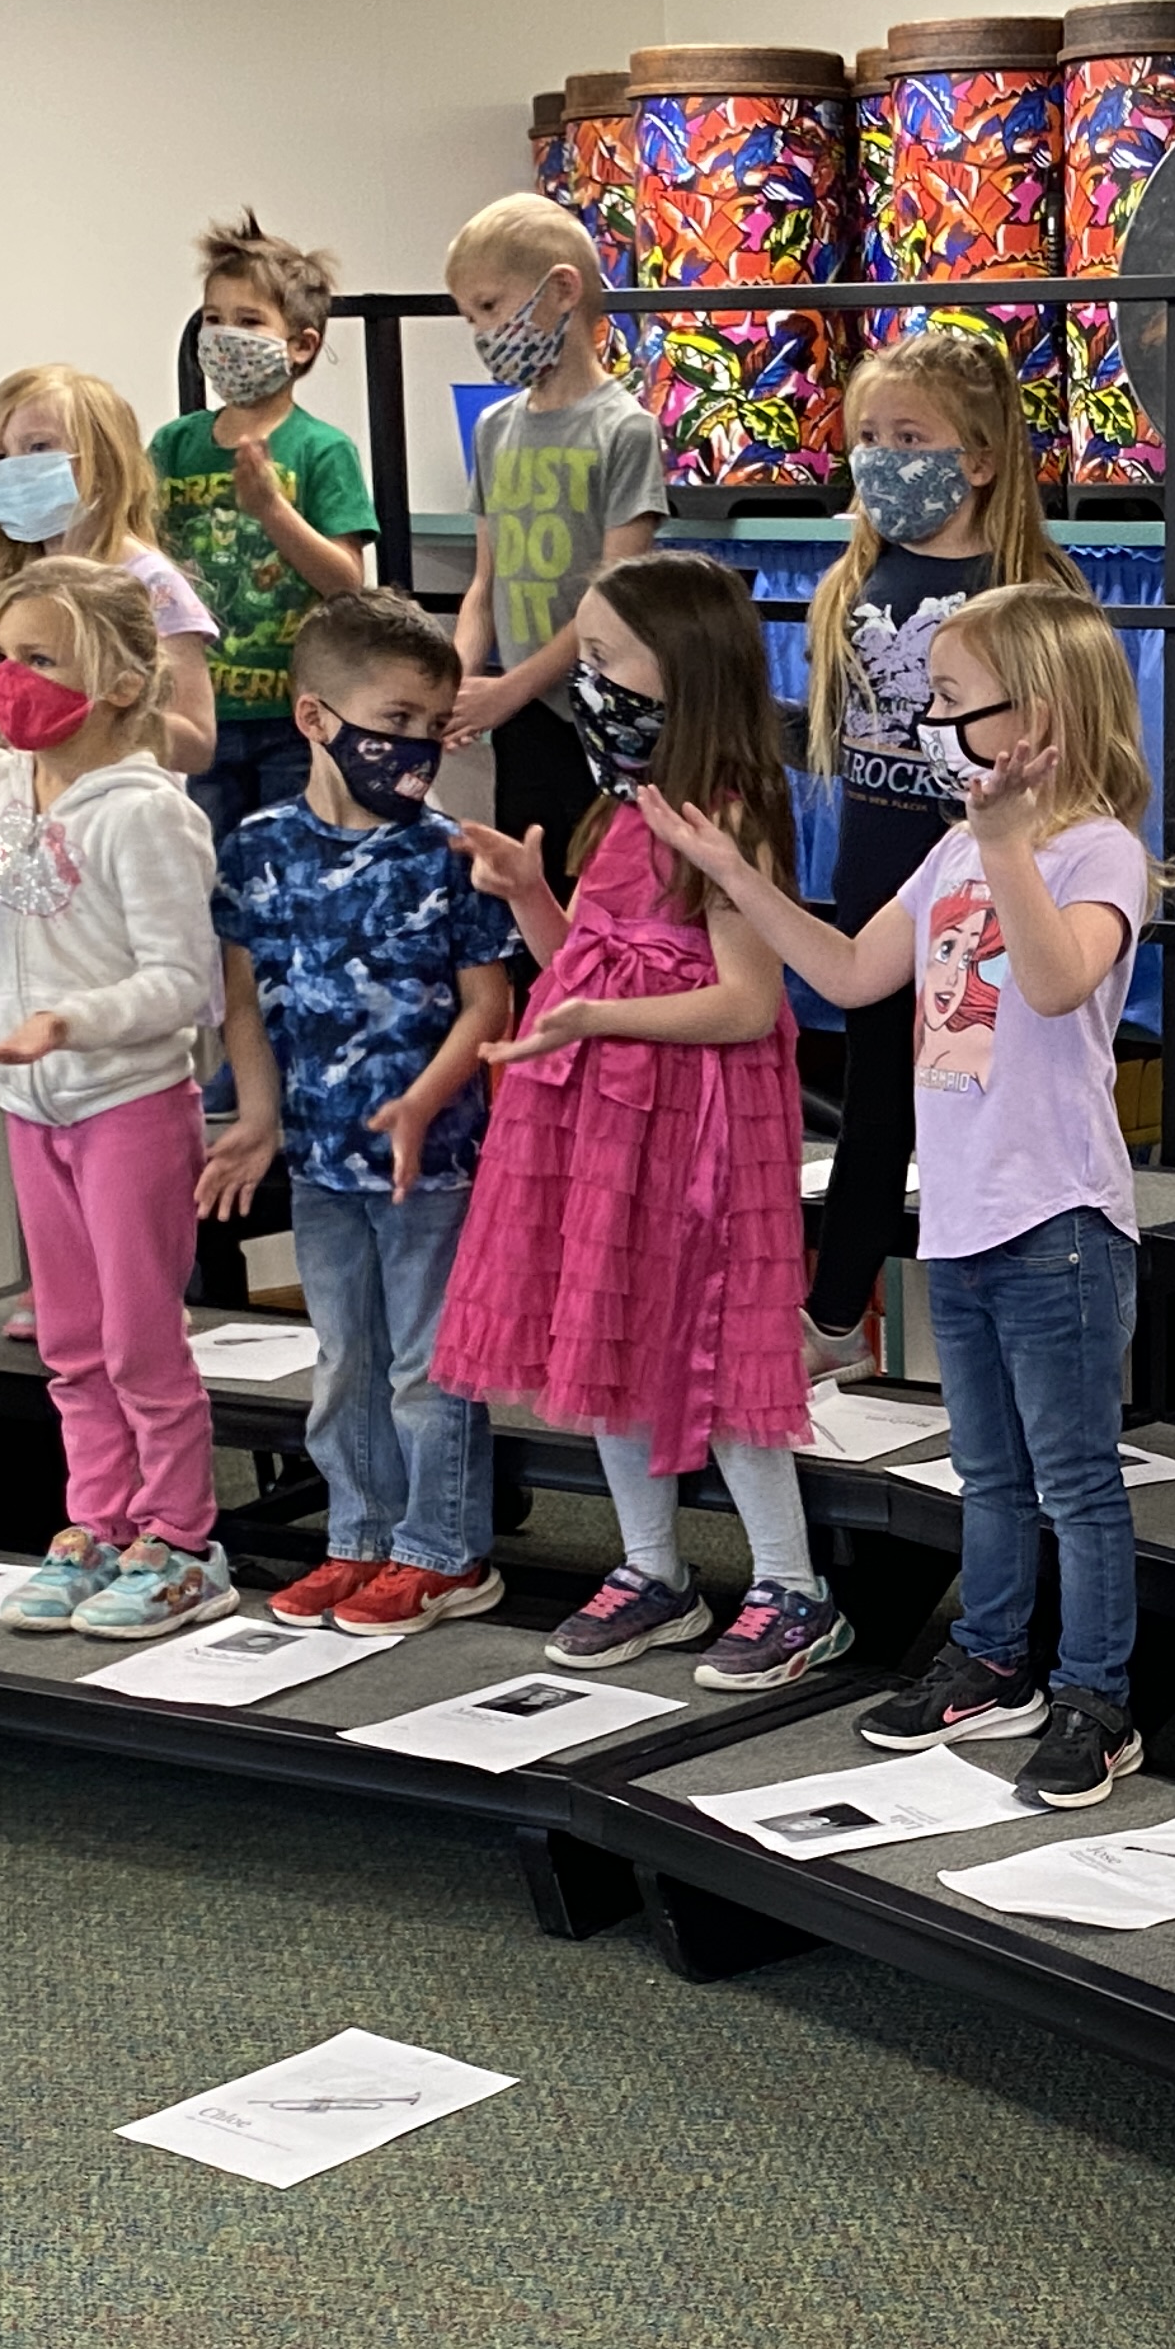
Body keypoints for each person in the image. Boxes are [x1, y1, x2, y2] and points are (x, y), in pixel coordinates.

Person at [674, 582, 1169, 1809]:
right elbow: (850, 973)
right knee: (988, 1473)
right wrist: (737, 875)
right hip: (958, 1213)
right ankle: (994, 1656)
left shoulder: (1095, 848)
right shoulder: (955, 846)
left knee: (1076, 1480)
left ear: (1035, 712)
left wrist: (1005, 840)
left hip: (1055, 1217)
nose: (931, 720)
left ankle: (1096, 1695)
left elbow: (1054, 986)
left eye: (951, 700)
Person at [430, 552, 846, 1696]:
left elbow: (746, 1003)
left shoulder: (732, 810)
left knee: (726, 1349)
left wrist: (598, 1016)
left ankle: (789, 1586)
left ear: (689, 668)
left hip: (704, 1127)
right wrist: (527, 895)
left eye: (605, 657)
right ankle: (653, 1569)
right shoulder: (623, 809)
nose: (589, 678)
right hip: (609, 1126)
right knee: (605, 1334)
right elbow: (580, 966)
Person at [0, 558, 234, 1641]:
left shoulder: (148, 814)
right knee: (70, 1337)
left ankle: (181, 1541)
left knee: (139, 1340)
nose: (10, 680)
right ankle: (100, 1524)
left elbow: (180, 983)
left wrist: (74, 1021)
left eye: (40, 659)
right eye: (3, 656)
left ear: (120, 679)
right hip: (31, 1110)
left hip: (127, 1105)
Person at [194, 588, 519, 1640]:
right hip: (323, 1162)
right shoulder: (254, 850)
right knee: (343, 1362)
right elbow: (245, 1002)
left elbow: (489, 1005)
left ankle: (445, 1551)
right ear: (315, 719)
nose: (414, 747)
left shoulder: (453, 852)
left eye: (433, 726)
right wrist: (255, 1117)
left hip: (435, 1161)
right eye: (394, 721)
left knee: (428, 1368)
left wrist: (426, 1101)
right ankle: (360, 1533)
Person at [793, 324, 1086, 1382]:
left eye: (909, 435)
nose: (881, 457)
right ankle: (836, 1320)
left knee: (974, 1095)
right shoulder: (855, 578)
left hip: (985, 883)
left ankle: (1009, 1327)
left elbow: (1070, 747)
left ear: (980, 457)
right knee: (876, 1098)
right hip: (875, 880)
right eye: (867, 436)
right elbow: (839, 732)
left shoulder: (1031, 587)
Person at [445, 195, 665, 896]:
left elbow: (615, 597)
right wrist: (457, 681)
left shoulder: (624, 430)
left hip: (603, 712)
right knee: (527, 885)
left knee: (604, 889)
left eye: (490, 306)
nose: (483, 331)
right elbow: (485, 583)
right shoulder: (494, 429)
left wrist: (509, 688)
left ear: (562, 289)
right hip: (525, 718)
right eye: (471, 317)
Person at [154, 210, 380, 835]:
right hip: (203, 711)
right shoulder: (174, 446)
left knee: (288, 867)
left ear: (300, 345)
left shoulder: (321, 449)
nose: (225, 335)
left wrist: (270, 510)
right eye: (213, 319)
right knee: (218, 874)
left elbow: (347, 583)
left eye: (249, 321)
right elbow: (140, 554)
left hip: (296, 716)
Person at [0, 366, 222, 780]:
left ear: (103, 458)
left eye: (37, 447)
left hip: (122, 821)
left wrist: (91, 713)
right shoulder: (21, 591)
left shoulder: (149, 583)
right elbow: (14, 768)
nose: (13, 470)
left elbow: (196, 744)